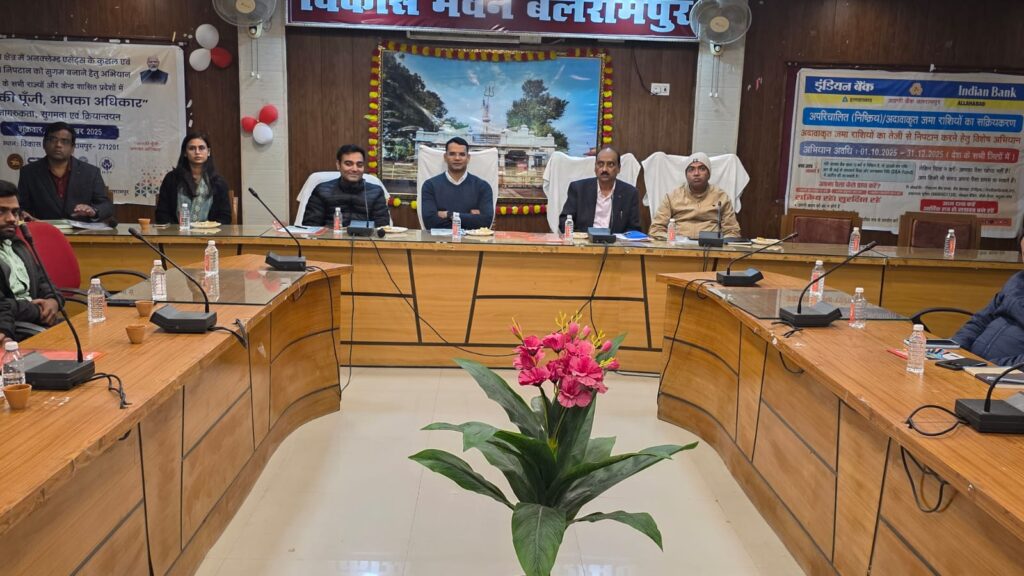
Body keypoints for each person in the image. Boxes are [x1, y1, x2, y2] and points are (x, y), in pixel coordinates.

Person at [0, 180, 60, 342]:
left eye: (15, 212)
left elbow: (45, 282)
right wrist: (36, 310)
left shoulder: (18, 245)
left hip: (37, 325)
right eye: (1, 211)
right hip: (13, 332)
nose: (11, 219)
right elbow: (3, 306)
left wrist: (53, 301)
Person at [17, 122, 113, 223]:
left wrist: (93, 211)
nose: (58, 145)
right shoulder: (28, 173)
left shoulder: (91, 173)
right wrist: (23, 214)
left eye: (65, 141)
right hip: (44, 229)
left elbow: (105, 205)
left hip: (81, 230)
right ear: (44, 144)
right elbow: (21, 206)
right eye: (53, 140)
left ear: (72, 148)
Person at [951, 237, 1024, 366]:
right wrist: (955, 349)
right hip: (973, 365)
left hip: (1003, 373)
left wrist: (988, 366)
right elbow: (980, 321)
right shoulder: (1017, 282)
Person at [648, 152, 741, 239]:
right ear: (686, 175)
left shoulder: (721, 197)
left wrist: (721, 244)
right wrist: (673, 239)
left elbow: (732, 231)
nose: (696, 173)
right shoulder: (672, 197)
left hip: (711, 247)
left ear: (709, 174)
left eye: (702, 169)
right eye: (691, 169)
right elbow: (656, 229)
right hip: (678, 246)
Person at [303, 144, 390, 228]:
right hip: (329, 237)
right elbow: (310, 227)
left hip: (366, 238)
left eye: (359, 165)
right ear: (338, 165)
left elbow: (382, 227)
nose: (355, 169)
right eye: (348, 164)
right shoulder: (322, 190)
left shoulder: (376, 192)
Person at [558, 147, 641, 234]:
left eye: (610, 164)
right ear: (595, 167)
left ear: (618, 168)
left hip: (615, 241)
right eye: (600, 164)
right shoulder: (578, 189)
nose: (604, 169)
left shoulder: (630, 193)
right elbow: (564, 221)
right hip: (585, 241)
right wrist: (579, 237)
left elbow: (634, 229)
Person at [155, 132, 232, 226]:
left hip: (209, 233)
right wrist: (177, 231)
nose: (197, 152)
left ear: (208, 152)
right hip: (176, 232)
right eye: (192, 148)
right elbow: (162, 214)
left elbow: (225, 217)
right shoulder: (172, 179)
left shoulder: (218, 182)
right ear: (185, 153)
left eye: (201, 148)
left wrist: (206, 229)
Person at [421, 137, 493, 230]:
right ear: (445, 157)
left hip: (472, 239)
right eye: (452, 154)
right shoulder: (430, 185)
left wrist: (449, 214)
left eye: (462, 154)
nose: (457, 158)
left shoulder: (482, 187)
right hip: (439, 239)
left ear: (468, 158)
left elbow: (485, 222)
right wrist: (470, 218)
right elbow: (430, 223)